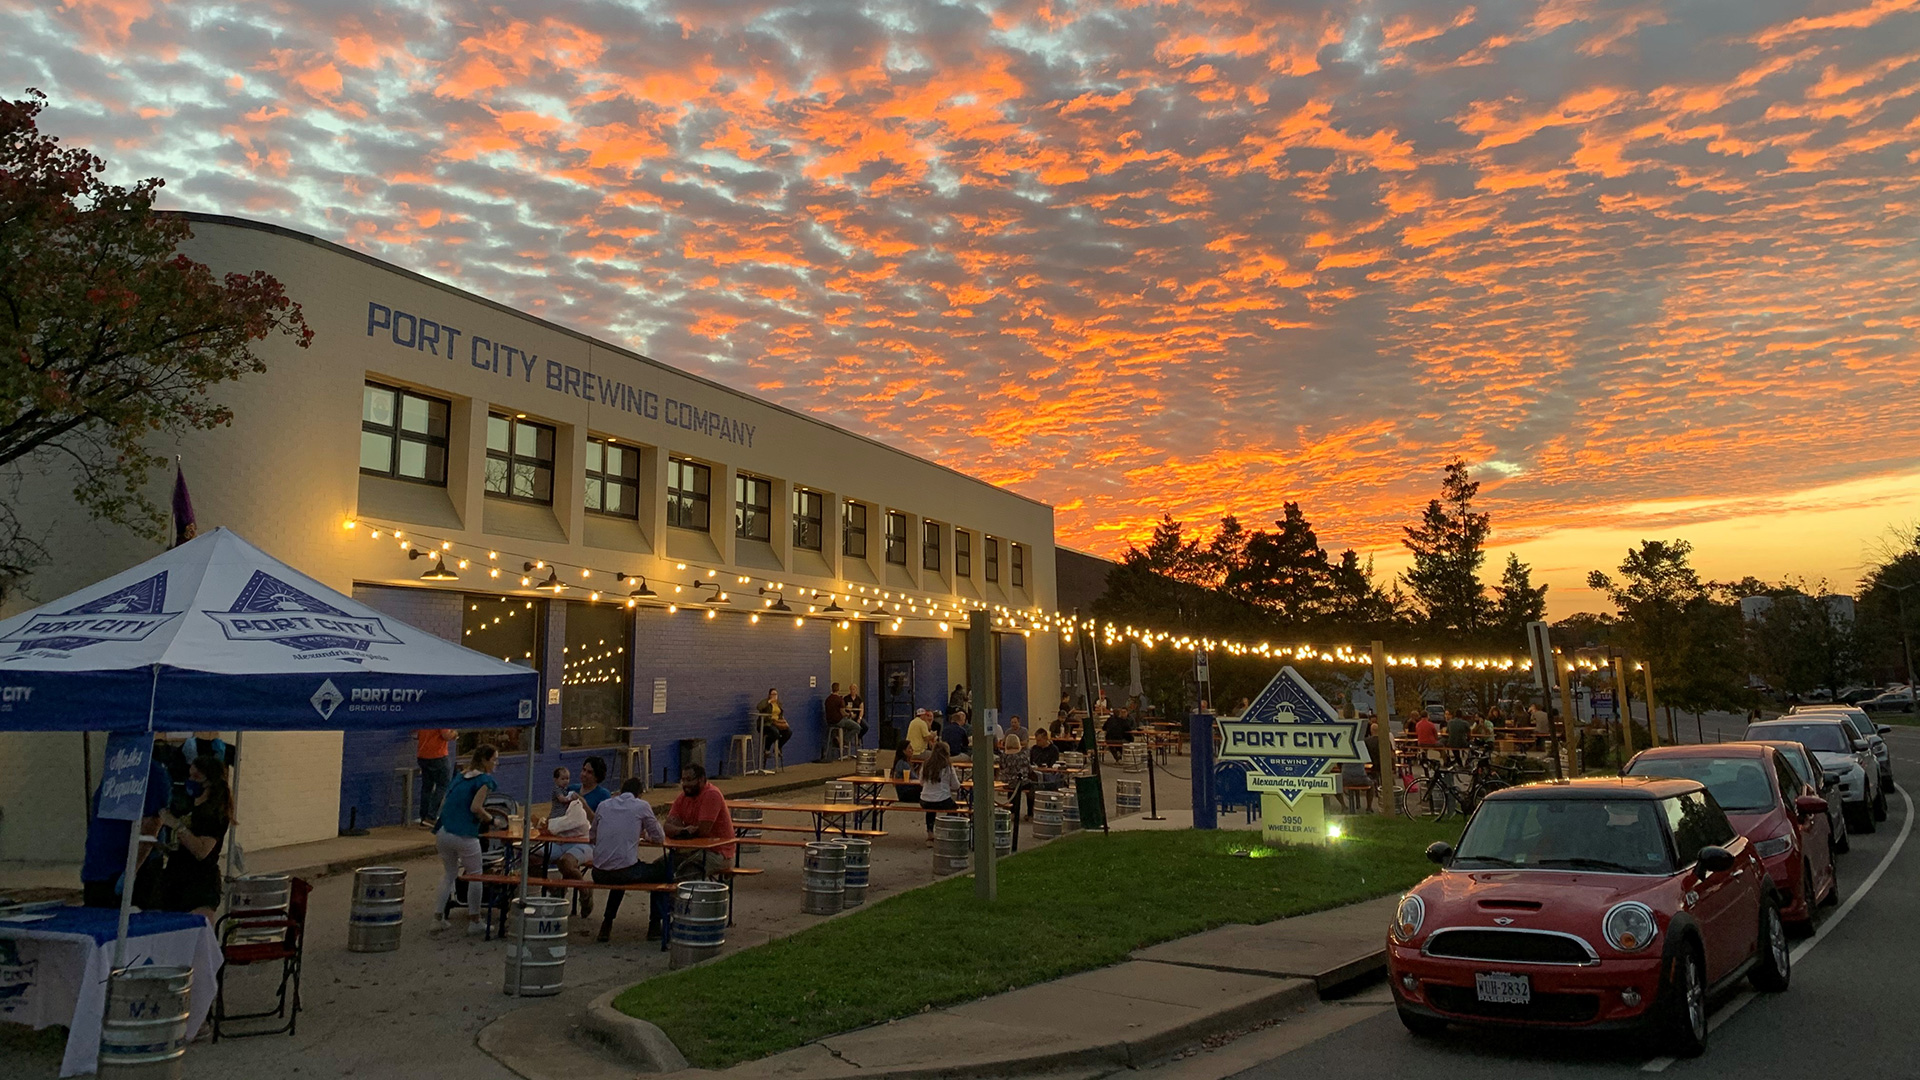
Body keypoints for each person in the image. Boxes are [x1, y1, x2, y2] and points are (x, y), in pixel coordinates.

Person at [80, 744, 172, 909]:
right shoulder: (114, 771)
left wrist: (131, 872)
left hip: (125, 872)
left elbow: (151, 825)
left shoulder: (151, 772)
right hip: (98, 871)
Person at [591, 777, 669, 942]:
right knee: (660, 873)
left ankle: (607, 922)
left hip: (598, 872)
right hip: (624, 871)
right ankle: (654, 925)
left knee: (621, 869)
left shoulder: (604, 805)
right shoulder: (641, 806)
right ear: (639, 794)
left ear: (621, 791)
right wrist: (645, 835)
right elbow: (660, 837)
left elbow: (593, 836)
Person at [156, 754, 231, 921]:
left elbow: (202, 851)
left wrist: (177, 825)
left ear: (209, 781)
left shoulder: (214, 814)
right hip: (176, 883)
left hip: (198, 887)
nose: (190, 781)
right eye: (190, 775)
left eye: (196, 777)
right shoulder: (190, 807)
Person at [433, 744, 498, 935]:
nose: (496, 764)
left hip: (444, 831)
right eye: (494, 760)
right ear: (485, 760)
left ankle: (437, 918)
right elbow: (476, 807)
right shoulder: (484, 780)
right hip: (464, 833)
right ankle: (475, 920)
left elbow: (444, 802)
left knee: (449, 874)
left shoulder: (460, 777)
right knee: (476, 875)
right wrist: (491, 819)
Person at [662, 763, 736, 883]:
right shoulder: (683, 798)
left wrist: (680, 831)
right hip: (693, 850)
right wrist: (683, 830)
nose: (685, 784)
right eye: (683, 780)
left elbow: (703, 830)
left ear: (701, 779)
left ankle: (682, 895)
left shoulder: (711, 794)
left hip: (718, 853)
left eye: (689, 780)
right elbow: (667, 827)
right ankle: (661, 895)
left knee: (681, 876)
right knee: (659, 869)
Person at [917, 742, 961, 839]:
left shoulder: (926, 764)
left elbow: (921, 782)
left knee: (930, 809)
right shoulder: (948, 767)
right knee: (953, 808)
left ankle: (930, 832)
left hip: (925, 800)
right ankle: (947, 831)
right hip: (942, 800)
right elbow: (956, 785)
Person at [416, 727, 456, 828]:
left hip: (422, 755)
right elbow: (446, 735)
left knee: (427, 787)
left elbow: (415, 733)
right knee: (443, 785)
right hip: (438, 755)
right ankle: (431, 816)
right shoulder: (441, 719)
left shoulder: (424, 719)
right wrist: (454, 733)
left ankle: (424, 817)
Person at [1000, 734, 1034, 820]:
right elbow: (1029, 769)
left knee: (1012, 789)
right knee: (1031, 787)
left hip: (1008, 782)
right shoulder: (1023, 755)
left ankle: (1012, 812)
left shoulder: (1003, 756)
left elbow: (1001, 767)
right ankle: (1030, 813)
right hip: (1022, 782)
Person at [757, 688, 793, 761]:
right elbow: (759, 707)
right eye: (772, 694)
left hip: (777, 723)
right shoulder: (766, 702)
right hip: (767, 723)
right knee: (775, 732)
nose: (774, 696)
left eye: (775, 694)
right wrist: (769, 701)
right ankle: (767, 749)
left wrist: (782, 721)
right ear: (769, 695)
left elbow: (780, 714)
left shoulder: (778, 704)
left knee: (788, 732)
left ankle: (778, 747)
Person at [825, 682, 860, 754]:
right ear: (838, 689)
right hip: (839, 721)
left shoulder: (827, 699)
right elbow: (843, 713)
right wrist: (849, 715)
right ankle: (843, 740)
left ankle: (839, 739)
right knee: (857, 727)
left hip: (830, 722)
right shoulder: (840, 699)